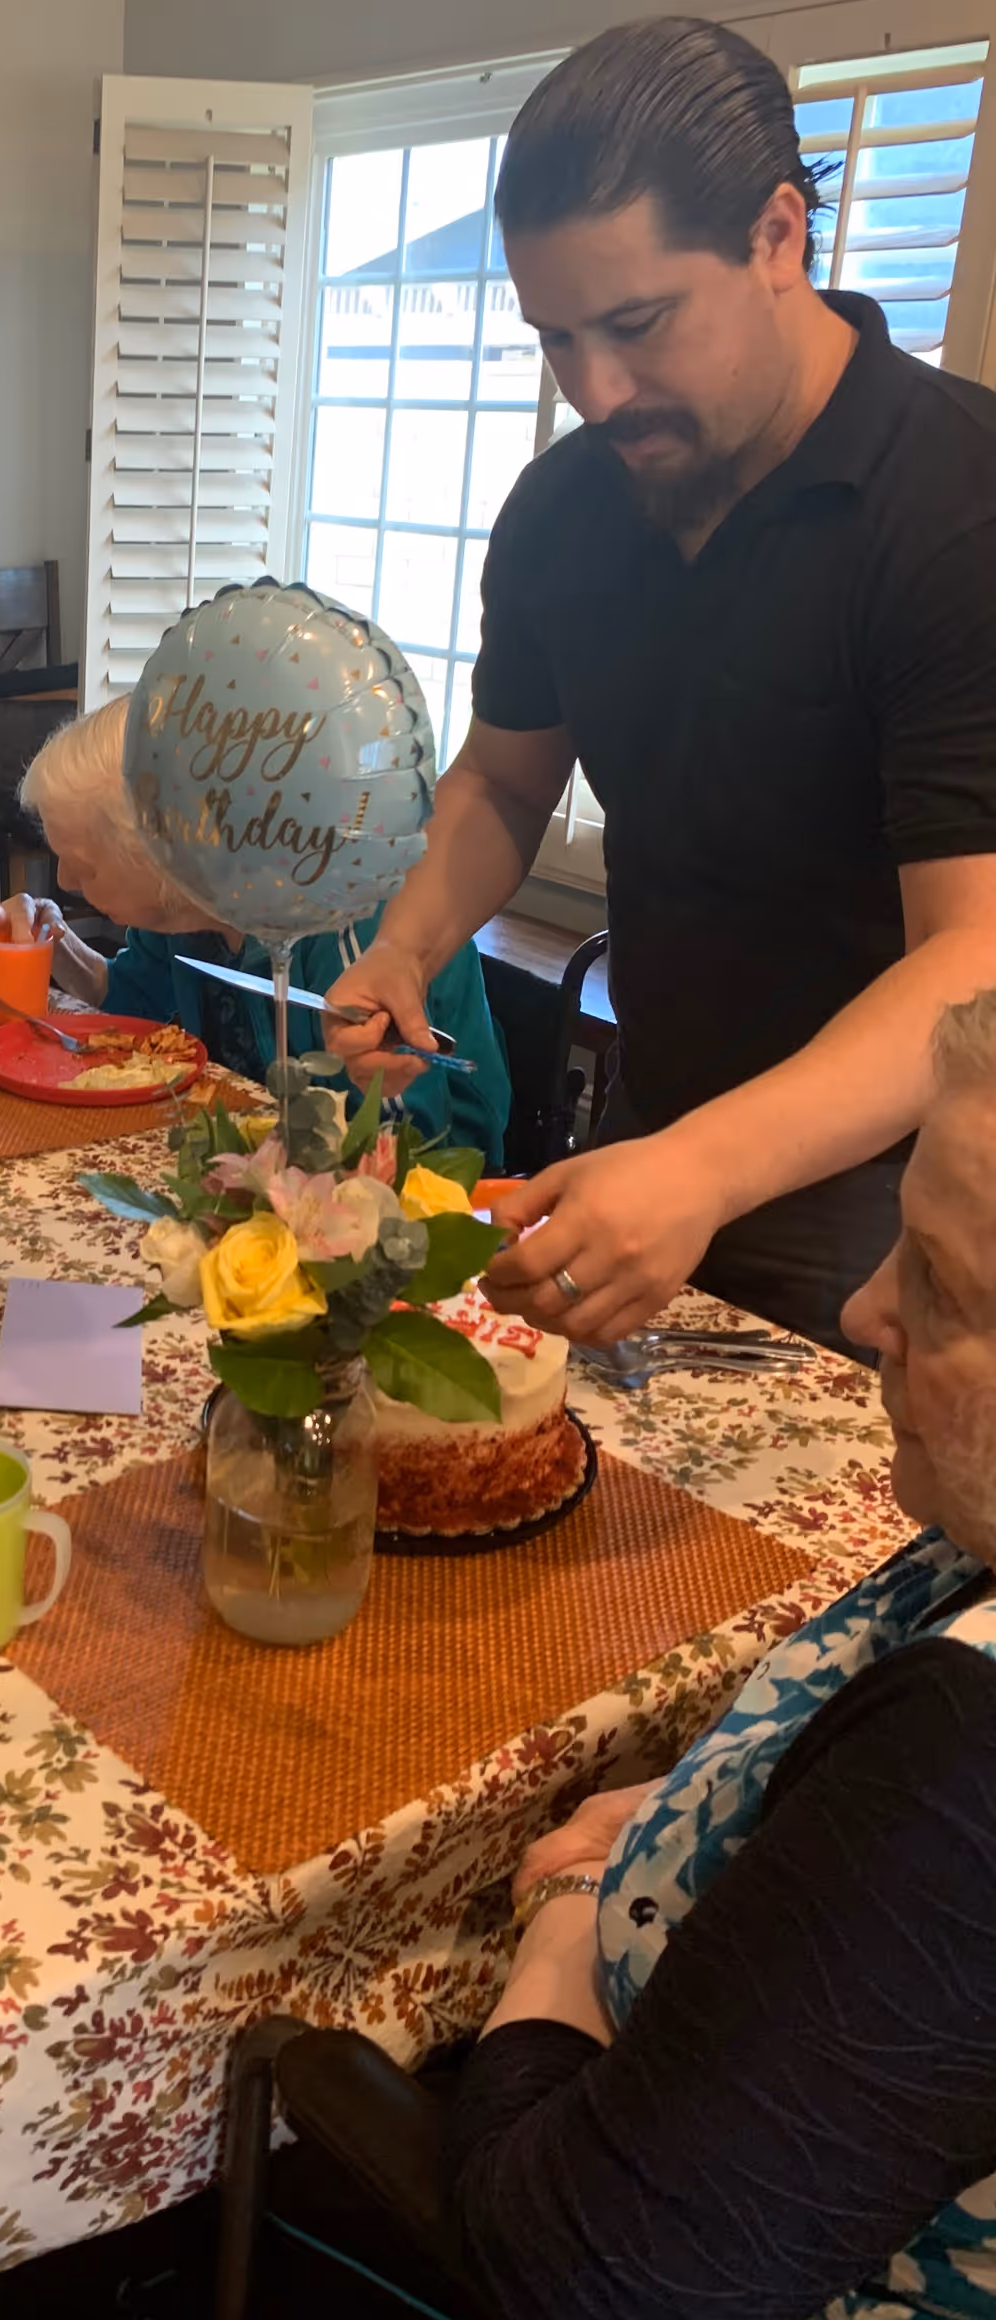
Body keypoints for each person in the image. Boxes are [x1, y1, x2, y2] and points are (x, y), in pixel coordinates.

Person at [321, 16, 996, 1356]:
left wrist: (707, 1165)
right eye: (557, 338)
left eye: (636, 325)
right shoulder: (567, 510)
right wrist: (406, 943)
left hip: (908, 1186)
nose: (597, 390)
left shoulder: (956, 508)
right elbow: (507, 783)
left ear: (778, 237)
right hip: (655, 1114)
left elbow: (973, 958)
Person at [438, 987, 996, 2317]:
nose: (867, 1308)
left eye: (943, 1282)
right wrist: (742, 1812)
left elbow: (589, 2279)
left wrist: (570, 1930)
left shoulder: (968, 1776)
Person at [0, 698, 510, 1160]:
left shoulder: (344, 923)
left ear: (158, 857)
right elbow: (133, 1002)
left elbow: (409, 1141)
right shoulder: (185, 906)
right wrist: (53, 937)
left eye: (83, 866)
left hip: (425, 1182)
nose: (64, 878)